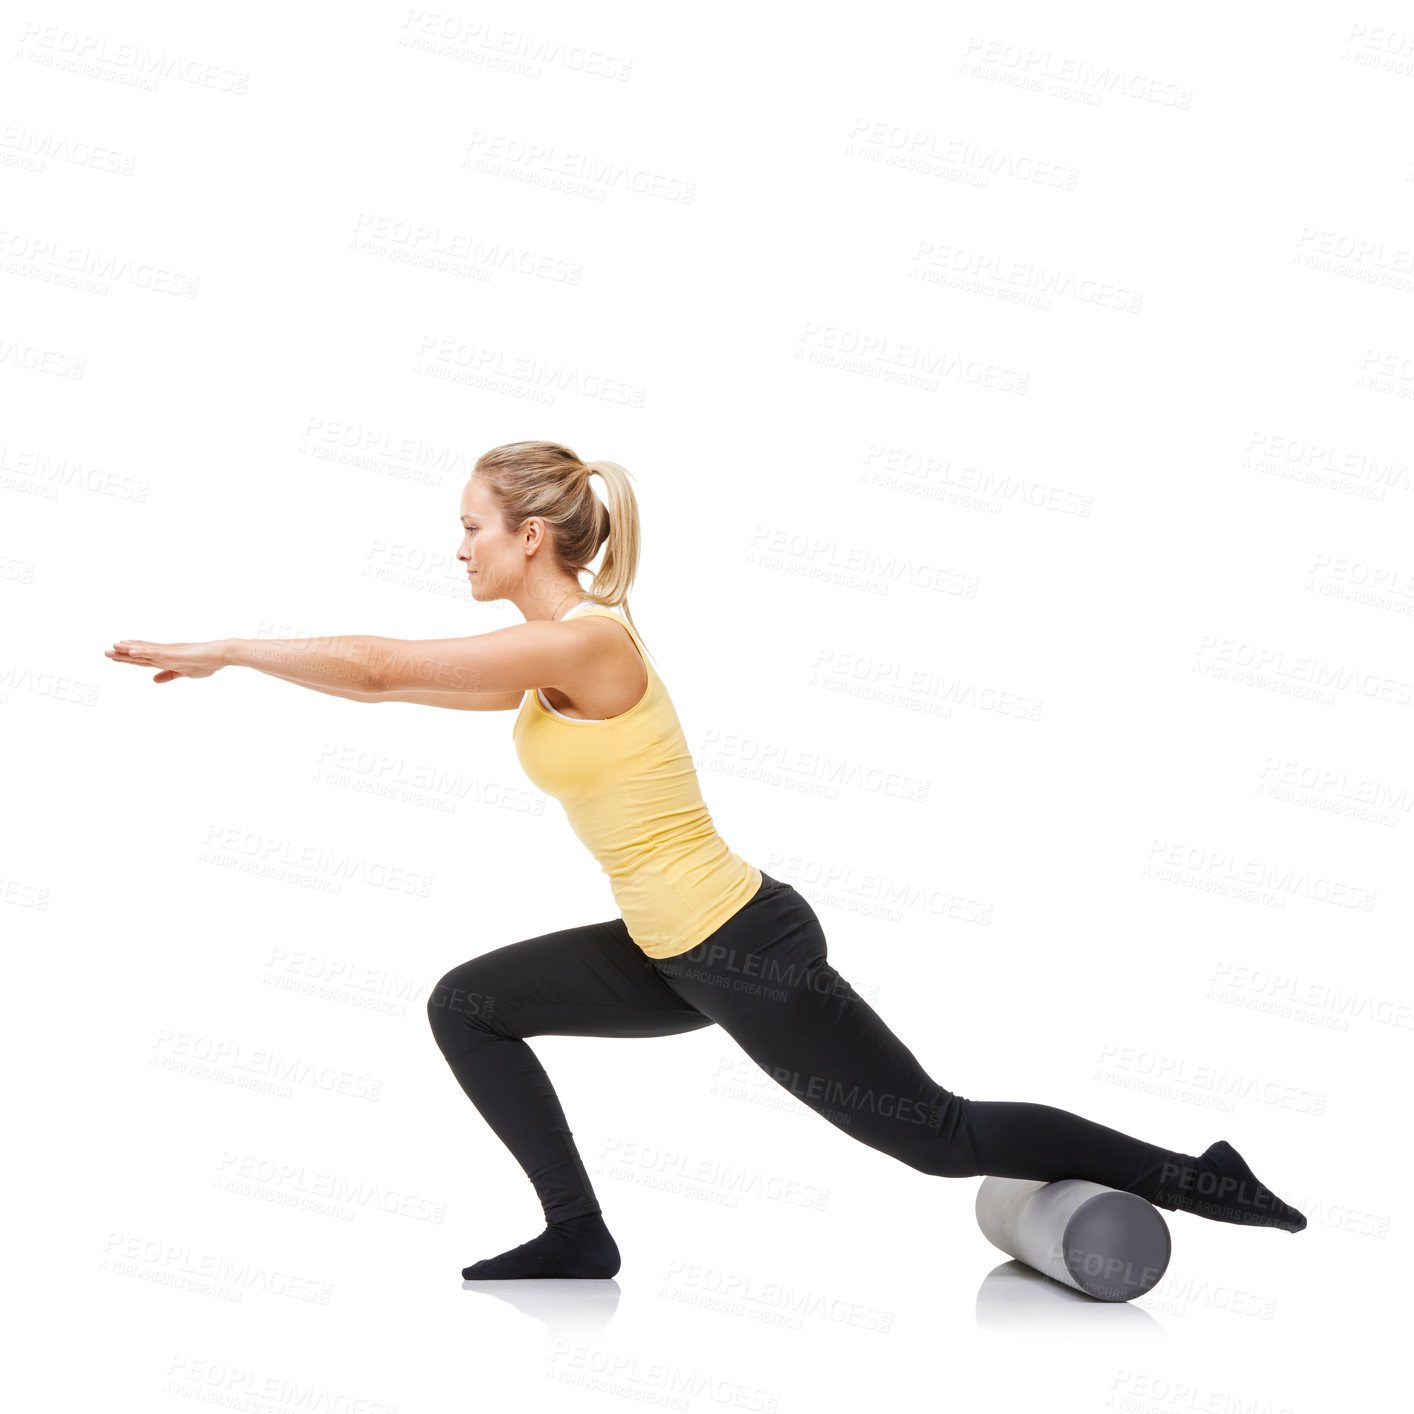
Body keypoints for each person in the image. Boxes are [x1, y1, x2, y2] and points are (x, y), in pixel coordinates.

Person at [106, 439, 1307, 1283]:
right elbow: (393, 686)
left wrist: (227, 648)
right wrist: (261, 664)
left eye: (469, 528)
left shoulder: (587, 647)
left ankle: (1199, 1178)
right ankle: (577, 1236)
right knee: (468, 1004)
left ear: (530, 536)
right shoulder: (547, 659)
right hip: (669, 952)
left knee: (934, 1136)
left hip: (741, 947)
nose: (457, 550)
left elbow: (378, 665)